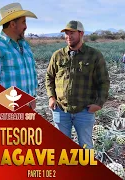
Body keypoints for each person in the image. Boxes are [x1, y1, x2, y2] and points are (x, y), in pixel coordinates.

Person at [45, 20, 110, 149]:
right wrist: (51, 97)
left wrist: (98, 103)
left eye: (72, 33)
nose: (68, 36)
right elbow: (49, 77)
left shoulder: (94, 55)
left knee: (86, 146)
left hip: (84, 111)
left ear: (81, 34)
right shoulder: (58, 55)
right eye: (66, 33)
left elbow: (104, 82)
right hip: (61, 109)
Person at [0, 3, 38, 109]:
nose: (26, 26)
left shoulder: (24, 46)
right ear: (12, 24)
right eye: (23, 22)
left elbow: (31, 73)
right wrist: (18, 104)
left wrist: (32, 97)